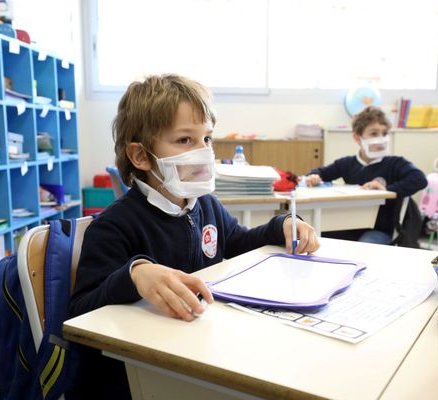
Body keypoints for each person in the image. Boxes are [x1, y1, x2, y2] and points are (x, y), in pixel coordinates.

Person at [67, 74, 320, 398]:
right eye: (185, 140)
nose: (202, 152)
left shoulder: (205, 206)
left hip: (194, 348)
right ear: (141, 156)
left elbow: (239, 241)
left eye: (207, 139)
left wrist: (282, 225)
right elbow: (79, 313)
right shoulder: (115, 225)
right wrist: (134, 274)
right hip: (136, 373)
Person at [305, 106, 427, 245]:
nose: (381, 139)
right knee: (319, 236)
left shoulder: (395, 163)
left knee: (365, 245)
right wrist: (314, 177)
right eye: (374, 134)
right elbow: (319, 173)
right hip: (349, 225)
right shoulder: (347, 163)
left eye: (384, 133)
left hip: (381, 229)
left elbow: (419, 179)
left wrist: (387, 189)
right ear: (357, 137)